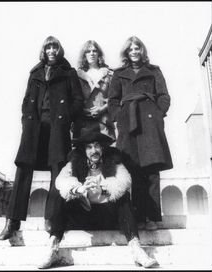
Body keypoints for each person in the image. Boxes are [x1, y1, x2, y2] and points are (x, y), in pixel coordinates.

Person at [0, 36, 84, 240]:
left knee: (57, 170)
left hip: (57, 126)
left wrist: (66, 117)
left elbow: (78, 99)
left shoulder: (68, 72)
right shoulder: (35, 72)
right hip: (34, 127)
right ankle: (12, 221)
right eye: (48, 47)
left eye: (55, 47)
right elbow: (26, 100)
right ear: (44, 51)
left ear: (59, 50)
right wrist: (26, 120)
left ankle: (52, 219)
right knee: (23, 169)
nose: (52, 50)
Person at [38, 131, 157, 269]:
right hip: (83, 216)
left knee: (123, 197)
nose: (93, 150)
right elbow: (61, 180)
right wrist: (79, 189)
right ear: (84, 150)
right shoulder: (74, 164)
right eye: (89, 147)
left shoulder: (114, 162)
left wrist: (104, 190)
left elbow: (125, 180)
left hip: (108, 217)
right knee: (59, 193)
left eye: (97, 146)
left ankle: (136, 249)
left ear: (103, 148)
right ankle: (52, 248)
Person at [108, 36, 173, 230]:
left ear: (142, 51)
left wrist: (158, 114)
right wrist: (119, 116)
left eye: (138, 48)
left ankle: (152, 217)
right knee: (132, 168)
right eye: (131, 49)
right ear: (126, 53)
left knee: (151, 171)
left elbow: (164, 96)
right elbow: (112, 100)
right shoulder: (119, 74)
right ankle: (137, 216)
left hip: (150, 123)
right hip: (128, 123)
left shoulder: (154, 71)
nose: (135, 51)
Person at [73, 40, 115, 139]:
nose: (91, 53)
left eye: (94, 51)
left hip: (103, 123)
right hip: (83, 124)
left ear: (99, 54)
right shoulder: (76, 75)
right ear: (84, 55)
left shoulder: (109, 74)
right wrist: (82, 110)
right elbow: (72, 98)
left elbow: (115, 98)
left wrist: (102, 109)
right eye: (88, 51)